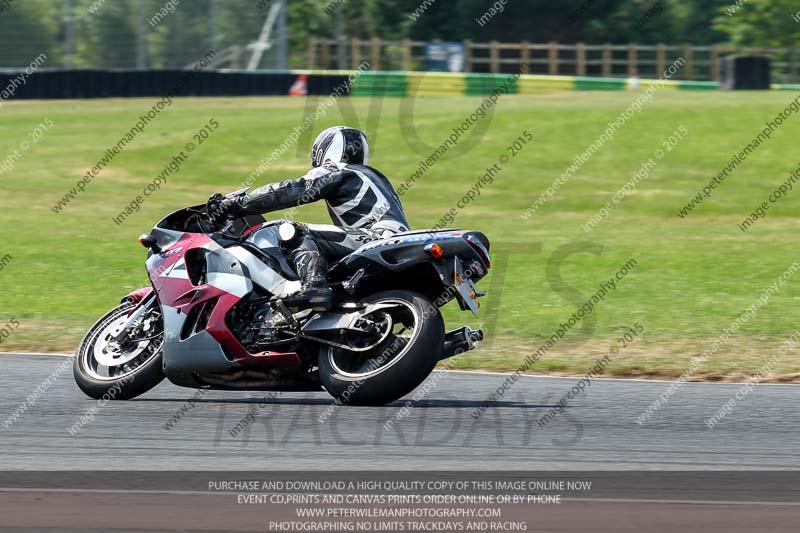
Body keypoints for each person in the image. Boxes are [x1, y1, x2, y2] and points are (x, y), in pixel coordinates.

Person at [207, 126, 410, 311]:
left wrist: (236, 204)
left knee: (293, 231)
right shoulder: (371, 177)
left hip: (375, 237)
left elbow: (294, 190)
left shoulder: (339, 170)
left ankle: (315, 287)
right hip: (394, 242)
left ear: (326, 150)